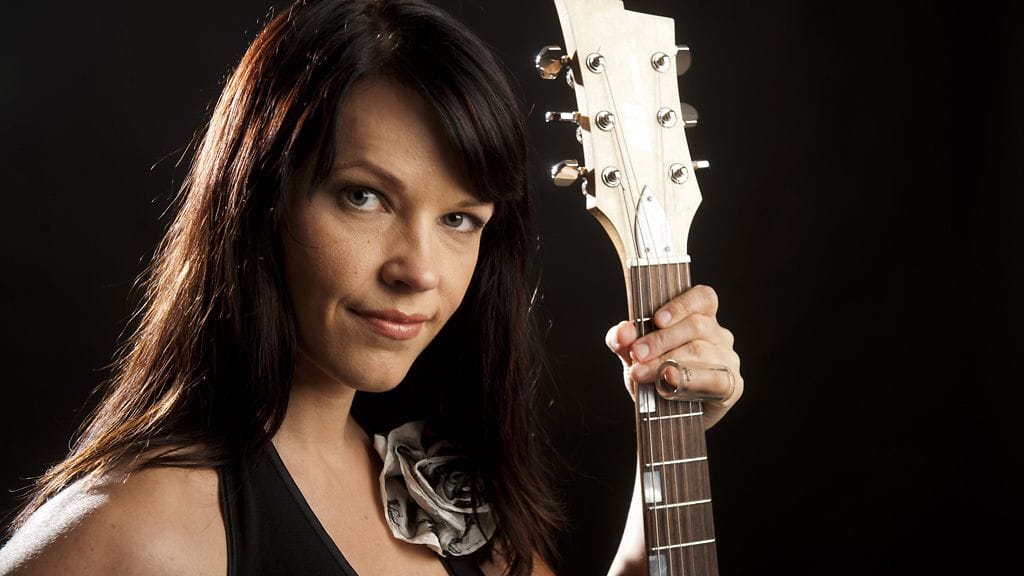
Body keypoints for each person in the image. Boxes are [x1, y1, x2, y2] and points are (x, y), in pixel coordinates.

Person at [0, 0, 742, 574]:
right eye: (365, 197)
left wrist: (665, 441)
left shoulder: (440, 496)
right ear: (259, 201)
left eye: (459, 218)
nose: (418, 270)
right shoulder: (142, 531)